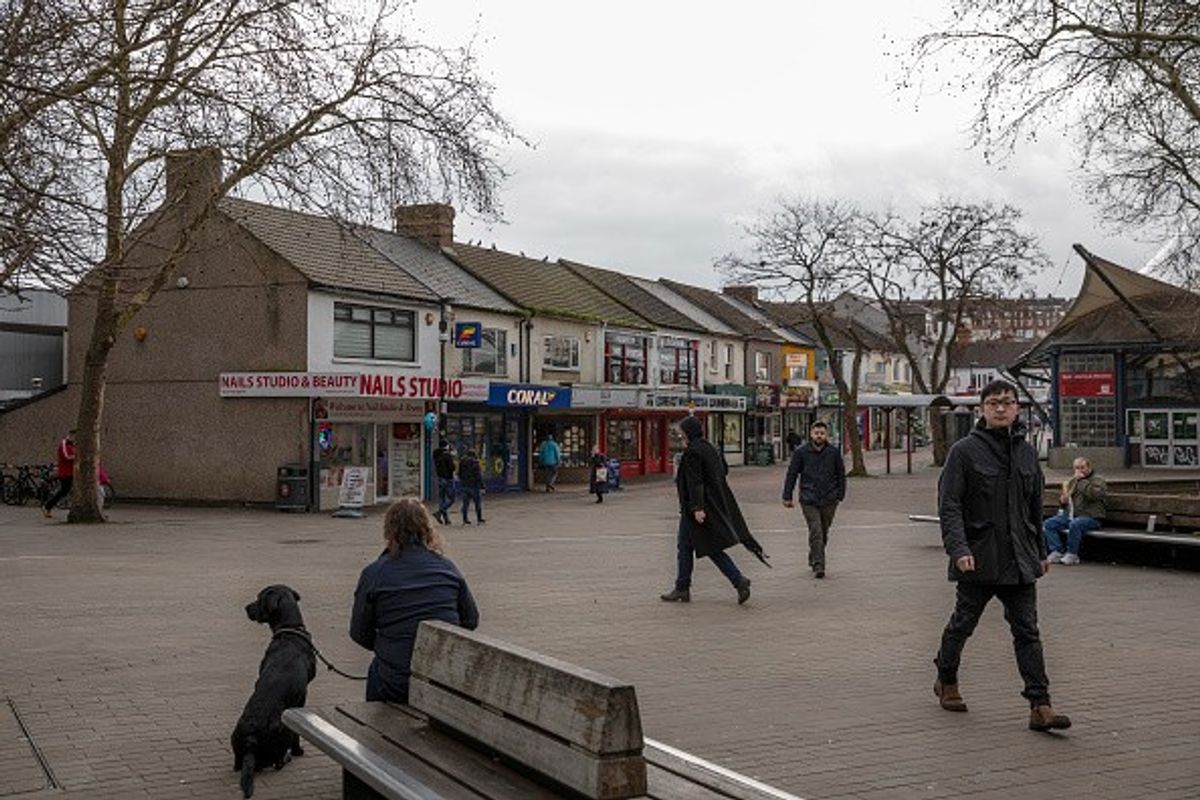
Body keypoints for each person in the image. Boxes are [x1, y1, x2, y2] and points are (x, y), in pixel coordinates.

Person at [933, 379, 1071, 733]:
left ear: (1016, 408)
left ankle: (1040, 705)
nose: (1000, 408)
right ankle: (946, 678)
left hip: (1019, 558)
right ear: (982, 409)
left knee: (1028, 631)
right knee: (963, 624)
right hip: (978, 557)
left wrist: (1040, 551)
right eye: (993, 402)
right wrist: (959, 548)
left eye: (1007, 402)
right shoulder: (964, 452)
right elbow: (950, 505)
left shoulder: (1026, 453)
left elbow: (1033, 506)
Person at [350, 498, 479, 703]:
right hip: (442, 680)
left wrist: (391, 646)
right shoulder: (447, 568)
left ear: (389, 531)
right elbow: (470, 620)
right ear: (427, 529)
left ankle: (378, 719)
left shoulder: (375, 573)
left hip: (396, 684)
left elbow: (359, 633)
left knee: (379, 671)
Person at [660, 415, 754, 605]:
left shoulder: (693, 452)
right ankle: (683, 587)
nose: (681, 435)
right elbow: (723, 471)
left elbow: (695, 482)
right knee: (688, 547)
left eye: (682, 432)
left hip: (697, 509)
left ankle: (737, 580)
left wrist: (697, 507)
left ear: (689, 432)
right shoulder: (710, 448)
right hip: (710, 505)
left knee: (708, 547)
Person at [781, 421, 846, 579]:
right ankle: (819, 565)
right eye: (816, 433)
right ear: (811, 434)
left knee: (823, 531)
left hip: (829, 499)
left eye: (822, 433)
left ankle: (814, 556)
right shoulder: (801, 452)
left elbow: (841, 474)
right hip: (808, 498)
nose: (819, 436)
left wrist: (840, 495)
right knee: (816, 530)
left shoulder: (833, 453)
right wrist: (787, 495)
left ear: (827, 435)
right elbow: (792, 474)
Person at [1043, 457, 1106, 566]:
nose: (1079, 470)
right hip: (1072, 515)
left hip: (1092, 517)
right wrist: (1063, 501)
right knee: (1049, 524)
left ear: (1089, 467)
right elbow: (1066, 501)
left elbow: (1094, 495)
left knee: (1075, 524)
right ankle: (1057, 551)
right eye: (1077, 468)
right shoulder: (1072, 481)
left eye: (1082, 467)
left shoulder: (1098, 481)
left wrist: (1082, 481)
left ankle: (1072, 554)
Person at [42, 429, 76, 518]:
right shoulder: (64, 444)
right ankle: (48, 506)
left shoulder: (73, 445)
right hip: (65, 472)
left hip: (73, 471)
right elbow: (66, 456)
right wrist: (77, 457)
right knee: (64, 490)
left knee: (68, 490)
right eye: (73, 436)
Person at [431, 440, 455, 525]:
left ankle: (446, 519)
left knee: (442, 499)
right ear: (446, 446)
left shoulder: (436, 454)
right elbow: (452, 467)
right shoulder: (447, 455)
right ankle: (439, 512)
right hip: (448, 478)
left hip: (440, 478)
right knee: (451, 499)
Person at [457, 449, 484, 524]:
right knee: (477, 503)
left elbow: (459, 473)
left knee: (465, 504)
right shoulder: (475, 463)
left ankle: (465, 519)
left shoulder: (462, 462)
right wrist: (482, 486)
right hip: (474, 486)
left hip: (464, 485)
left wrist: (462, 481)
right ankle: (479, 518)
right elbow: (478, 476)